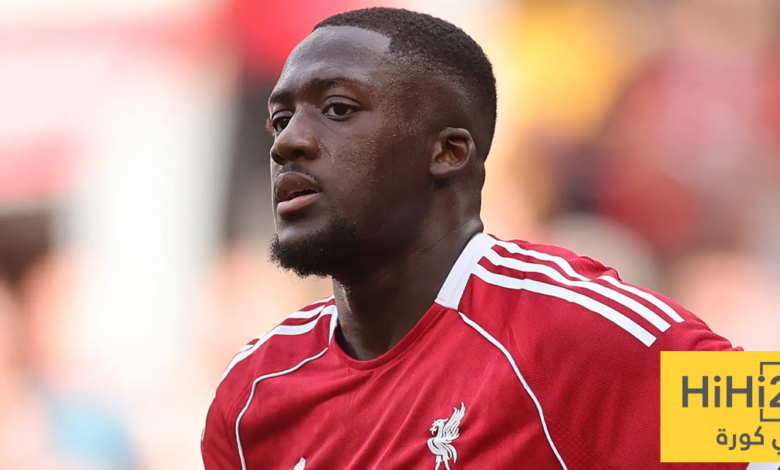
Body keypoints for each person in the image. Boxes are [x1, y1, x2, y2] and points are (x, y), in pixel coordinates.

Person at [202, 8, 773, 469]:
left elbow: (765, 427)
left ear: (448, 151)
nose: (288, 143)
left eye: (337, 108)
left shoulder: (570, 333)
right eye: (280, 119)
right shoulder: (253, 393)